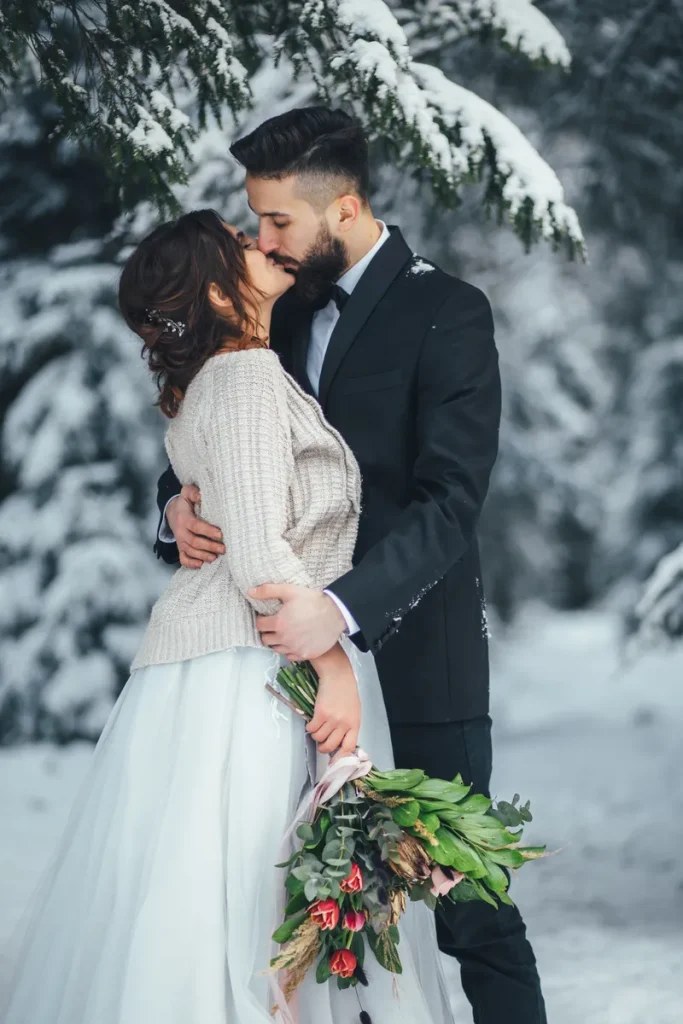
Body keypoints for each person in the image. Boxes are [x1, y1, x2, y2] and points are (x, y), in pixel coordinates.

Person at [0, 210, 453, 1024]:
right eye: (242, 244)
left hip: (235, 658)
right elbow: (257, 550)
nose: (262, 243)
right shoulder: (242, 378)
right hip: (257, 666)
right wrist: (335, 667)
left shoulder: (231, 374)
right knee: (255, 907)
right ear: (217, 288)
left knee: (233, 906)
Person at [157, 108, 547, 1024]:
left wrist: (338, 610)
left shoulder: (447, 309)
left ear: (347, 206)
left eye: (279, 222)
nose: (262, 241)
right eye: (255, 222)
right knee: (295, 891)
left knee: (462, 894)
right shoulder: (270, 309)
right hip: (276, 661)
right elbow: (212, 436)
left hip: (414, 638)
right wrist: (173, 510)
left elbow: (451, 499)